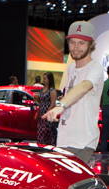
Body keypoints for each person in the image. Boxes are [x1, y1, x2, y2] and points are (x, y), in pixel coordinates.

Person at [41, 21, 105, 163]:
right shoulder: (71, 68)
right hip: (65, 138)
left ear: (92, 44)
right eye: (72, 42)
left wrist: (60, 106)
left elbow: (83, 87)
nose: (76, 48)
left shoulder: (95, 68)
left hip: (81, 141)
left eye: (82, 43)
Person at [36, 72, 58, 145]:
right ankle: (41, 145)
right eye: (43, 78)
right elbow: (39, 101)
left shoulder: (52, 90)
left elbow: (53, 103)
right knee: (41, 131)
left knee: (48, 132)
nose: (43, 80)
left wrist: (47, 113)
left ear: (49, 79)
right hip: (41, 112)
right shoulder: (42, 89)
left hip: (47, 113)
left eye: (45, 78)